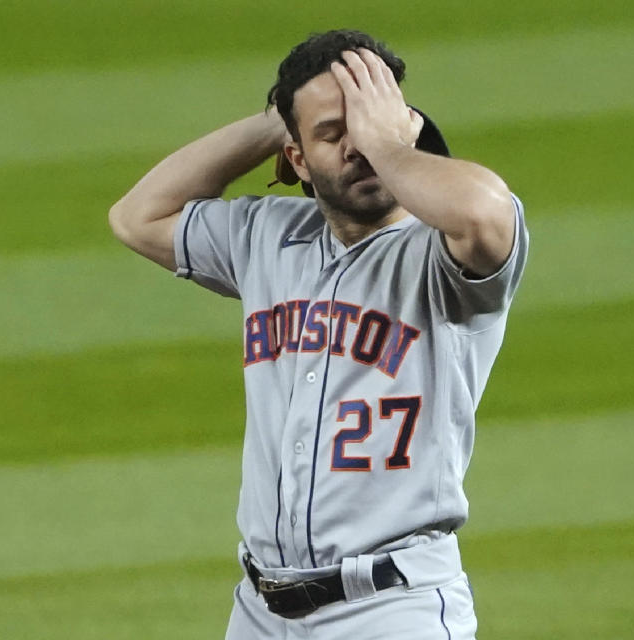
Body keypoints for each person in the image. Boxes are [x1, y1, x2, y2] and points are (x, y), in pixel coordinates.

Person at [109, 29, 528, 640]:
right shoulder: (265, 238)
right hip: (260, 610)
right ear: (297, 157)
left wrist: (388, 143)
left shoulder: (442, 258)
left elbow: (486, 211)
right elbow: (136, 216)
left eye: (372, 122)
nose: (358, 146)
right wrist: (276, 119)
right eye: (333, 134)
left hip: (391, 608)